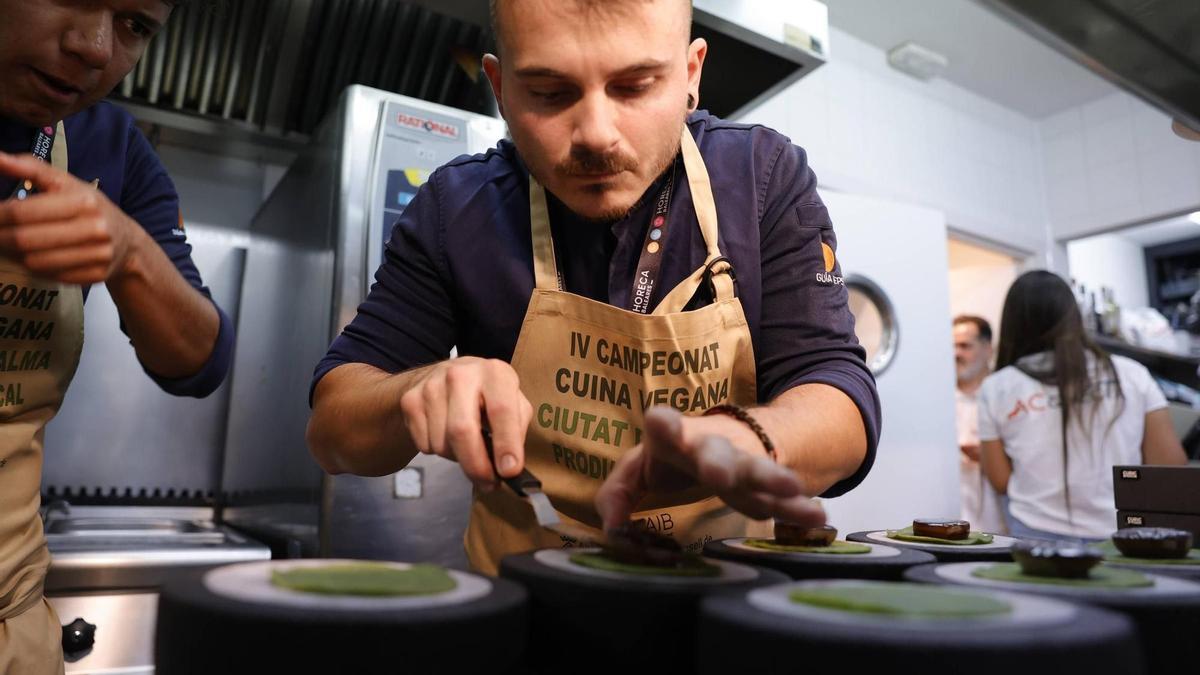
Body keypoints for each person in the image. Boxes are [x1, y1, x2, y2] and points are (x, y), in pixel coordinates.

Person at [307, 0, 881, 575]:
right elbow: (334, 428)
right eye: (550, 94)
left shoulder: (761, 176)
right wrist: (418, 392)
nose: (596, 136)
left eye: (634, 87)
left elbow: (838, 395)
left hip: (724, 606)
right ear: (500, 88)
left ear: (691, 74)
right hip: (526, 608)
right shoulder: (454, 209)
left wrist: (751, 441)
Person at [0, 2, 233, 672]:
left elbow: (200, 360)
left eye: (135, 24)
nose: (96, 47)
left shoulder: (109, 147)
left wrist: (129, 251)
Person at [978, 271, 1186, 541]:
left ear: (1012, 324)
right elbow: (1168, 465)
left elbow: (1001, 480)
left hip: (1035, 536)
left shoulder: (997, 387)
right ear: (1073, 315)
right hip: (1125, 531)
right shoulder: (1131, 374)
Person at [953, 315, 1006, 533]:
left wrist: (992, 457)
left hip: (1000, 526)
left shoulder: (1006, 396)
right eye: (952, 346)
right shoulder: (937, 400)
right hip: (949, 525)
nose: (956, 354)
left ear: (988, 349)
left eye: (965, 346)